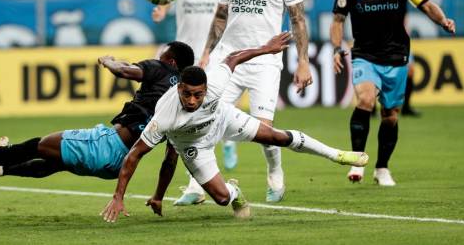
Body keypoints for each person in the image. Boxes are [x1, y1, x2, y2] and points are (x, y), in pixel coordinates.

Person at [100, 32, 368, 222]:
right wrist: (119, 196)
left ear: (206, 89)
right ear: (179, 88)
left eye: (198, 94)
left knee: (274, 136)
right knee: (221, 198)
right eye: (187, 94)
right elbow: (135, 155)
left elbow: (234, 57)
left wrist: (267, 48)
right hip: (194, 145)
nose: (192, 100)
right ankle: (235, 191)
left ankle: (338, 155)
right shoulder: (165, 115)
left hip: (222, 119)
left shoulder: (214, 83)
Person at [0, 42, 195, 180]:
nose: (158, 56)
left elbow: (124, 70)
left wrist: (108, 60)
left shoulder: (161, 69)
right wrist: (158, 196)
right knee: (54, 163)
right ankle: (3, 165)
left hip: (106, 145)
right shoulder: (181, 103)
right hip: (119, 166)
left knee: (36, 145)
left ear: (171, 61)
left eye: (162, 54)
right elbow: (171, 157)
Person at [198, 0, 313, 203]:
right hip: (231, 60)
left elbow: (298, 20)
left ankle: (275, 170)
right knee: (207, 122)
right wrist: (207, 53)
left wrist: (303, 61)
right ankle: (200, 187)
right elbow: (221, 16)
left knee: (263, 131)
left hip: (265, 62)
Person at [330, 0, 456, 187]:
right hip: (365, 55)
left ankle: (382, 168)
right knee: (365, 99)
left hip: (396, 57)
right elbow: (337, 21)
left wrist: (443, 20)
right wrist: (336, 48)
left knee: (390, 115)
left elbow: (426, 4)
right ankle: (357, 160)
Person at [152, 0, 221, 206]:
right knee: (187, 119)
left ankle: (196, 184)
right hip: (184, 58)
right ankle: (199, 180)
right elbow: (165, 1)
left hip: (213, 55)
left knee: (201, 118)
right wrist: (160, 10)